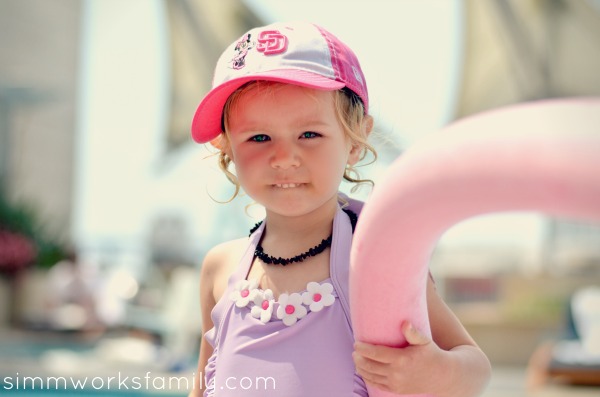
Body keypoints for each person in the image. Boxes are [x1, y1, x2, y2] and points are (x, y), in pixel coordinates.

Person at [188, 21, 491, 397]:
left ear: (354, 139)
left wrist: (436, 372)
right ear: (227, 146)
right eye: (259, 137)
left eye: (309, 135)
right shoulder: (221, 268)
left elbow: (476, 367)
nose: (284, 158)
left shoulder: (374, 256)